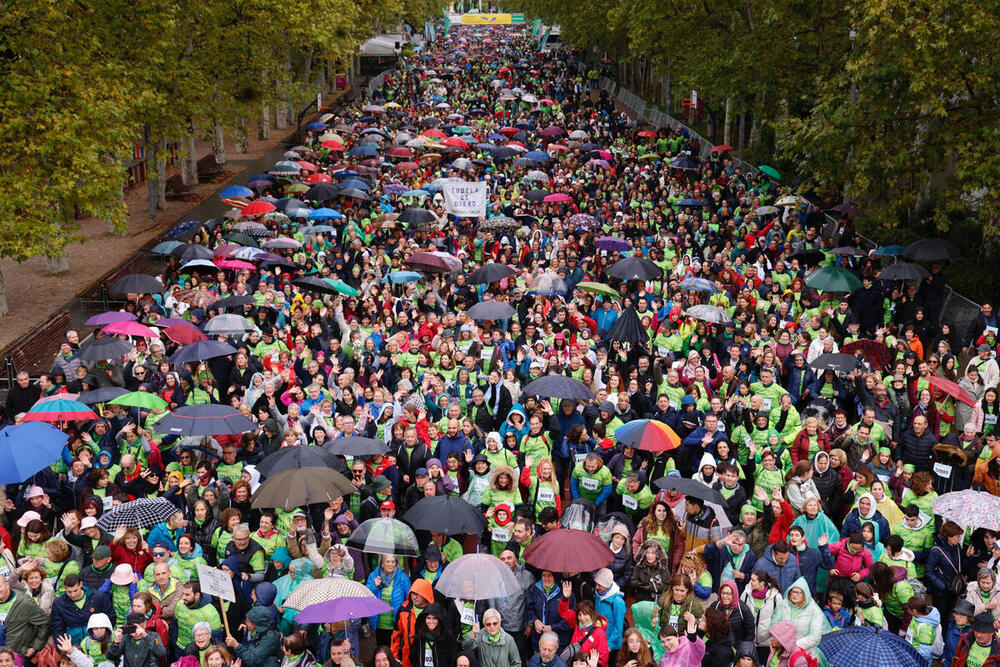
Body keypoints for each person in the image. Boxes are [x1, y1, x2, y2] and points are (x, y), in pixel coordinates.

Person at [0, 572, 50, 658]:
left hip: (16, 656)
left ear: (7, 585)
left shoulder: (25, 602)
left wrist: (35, 647)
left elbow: (45, 623)